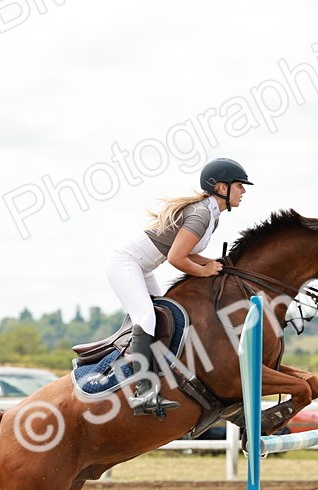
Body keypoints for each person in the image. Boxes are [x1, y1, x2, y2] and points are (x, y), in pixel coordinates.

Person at [105, 157, 252, 416]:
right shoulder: (201, 214)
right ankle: (142, 392)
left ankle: (164, 375)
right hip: (125, 262)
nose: (244, 191)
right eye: (240, 185)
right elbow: (176, 259)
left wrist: (217, 264)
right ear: (221, 188)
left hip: (144, 266)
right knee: (146, 317)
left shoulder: (212, 216)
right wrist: (206, 270)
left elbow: (187, 253)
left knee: (170, 318)